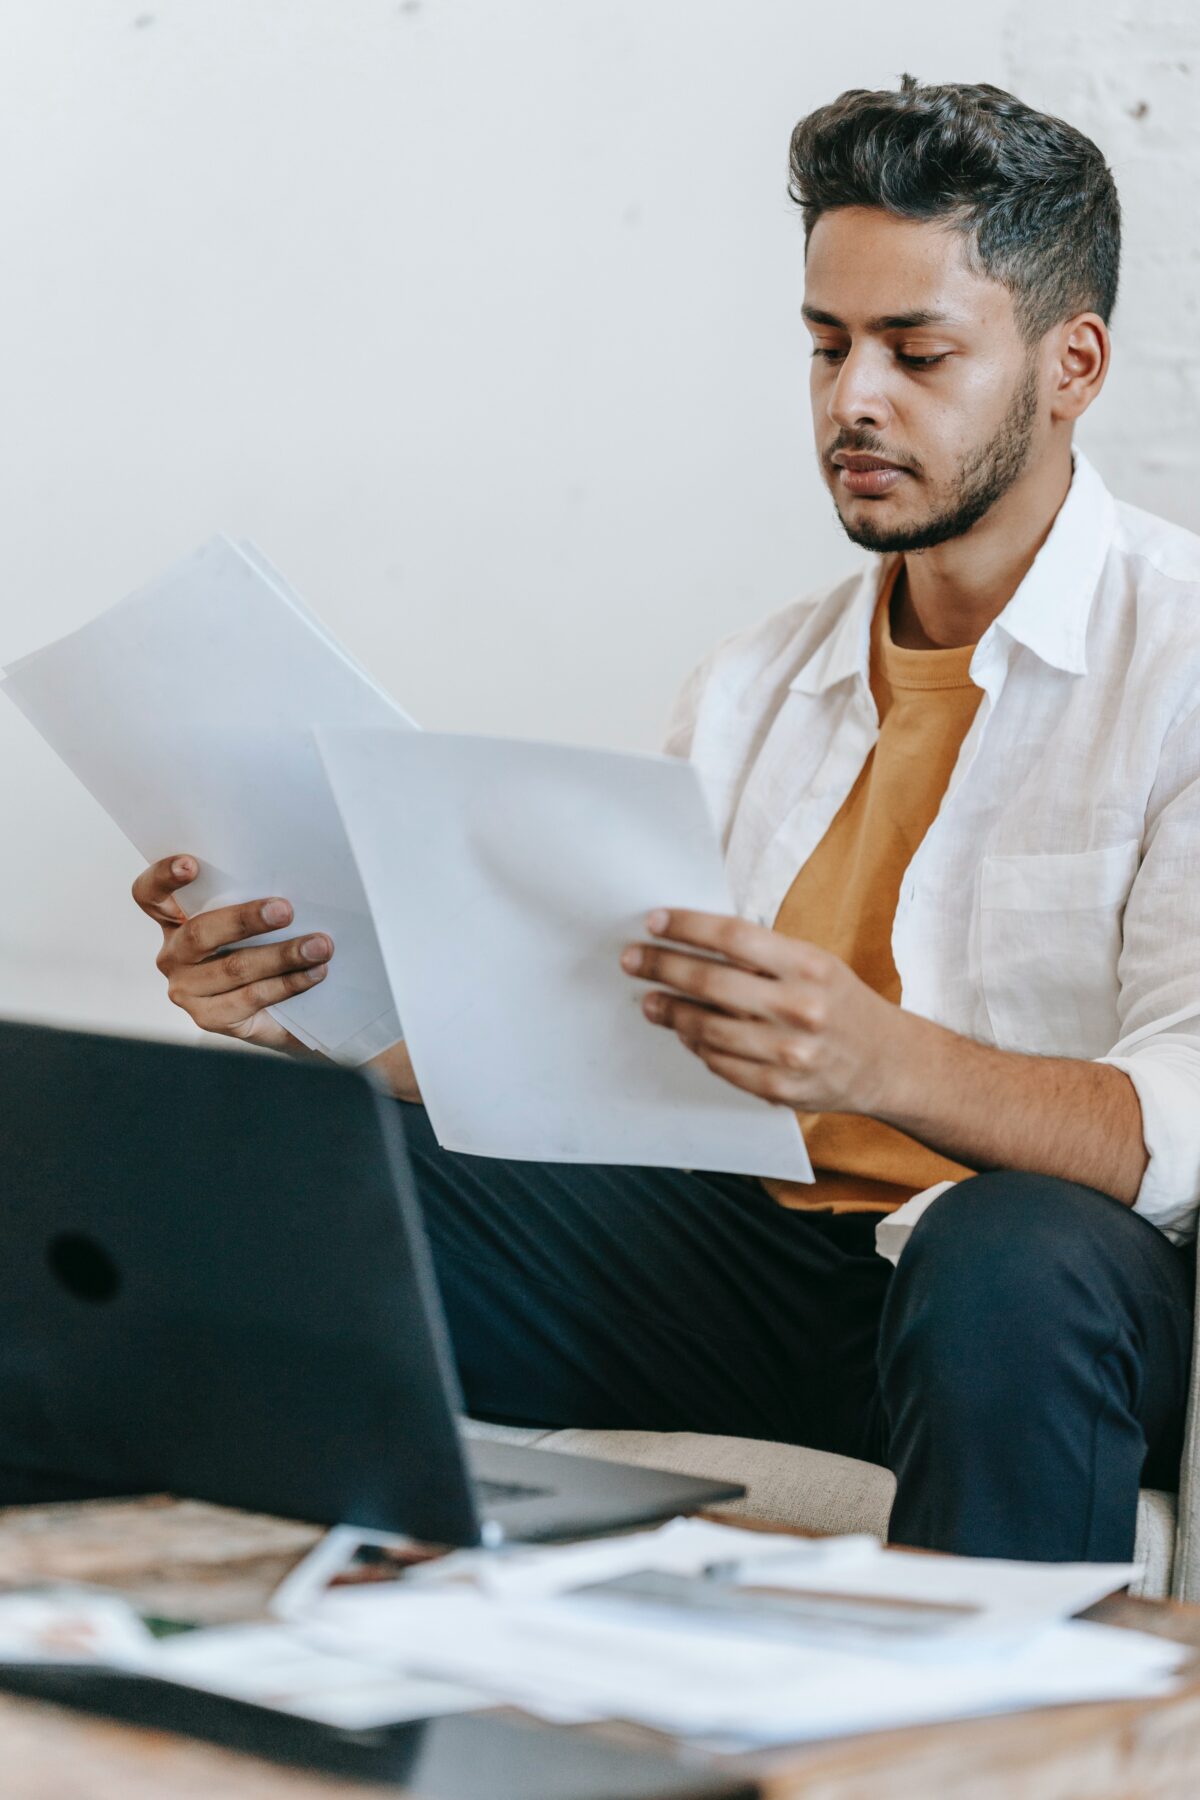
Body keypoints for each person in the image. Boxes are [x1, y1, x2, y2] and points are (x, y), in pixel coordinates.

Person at [132, 78, 1200, 1562]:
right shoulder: (759, 683)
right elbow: (596, 1064)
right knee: (277, 1162)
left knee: (1009, 1248)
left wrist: (882, 1060)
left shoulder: (1181, 659)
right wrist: (312, 1010)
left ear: (1073, 361)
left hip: (1035, 1303)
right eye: (826, 346)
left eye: (917, 352)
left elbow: (1179, 1119)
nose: (853, 401)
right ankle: (227, 1685)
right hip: (753, 1261)